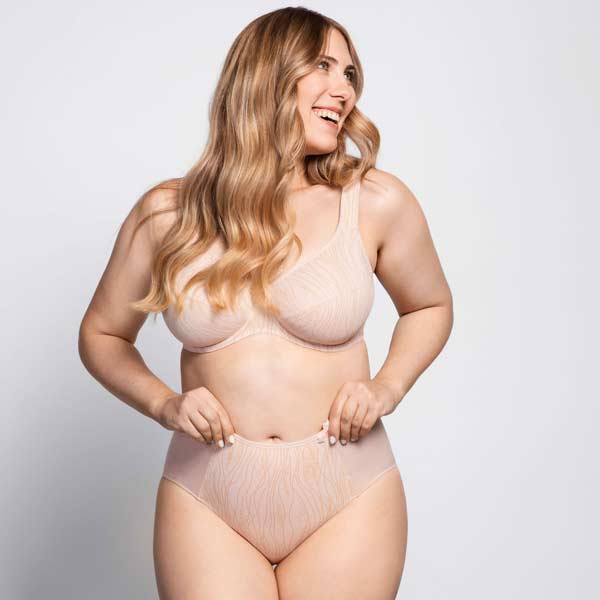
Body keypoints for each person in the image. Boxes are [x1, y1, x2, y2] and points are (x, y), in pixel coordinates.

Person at [78, 6, 453, 599]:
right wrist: (164, 403)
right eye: (323, 66)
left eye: (350, 74)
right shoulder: (168, 214)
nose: (344, 90)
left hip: (347, 495)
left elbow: (429, 306)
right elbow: (102, 335)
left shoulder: (374, 200)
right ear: (266, 75)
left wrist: (388, 387)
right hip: (208, 500)